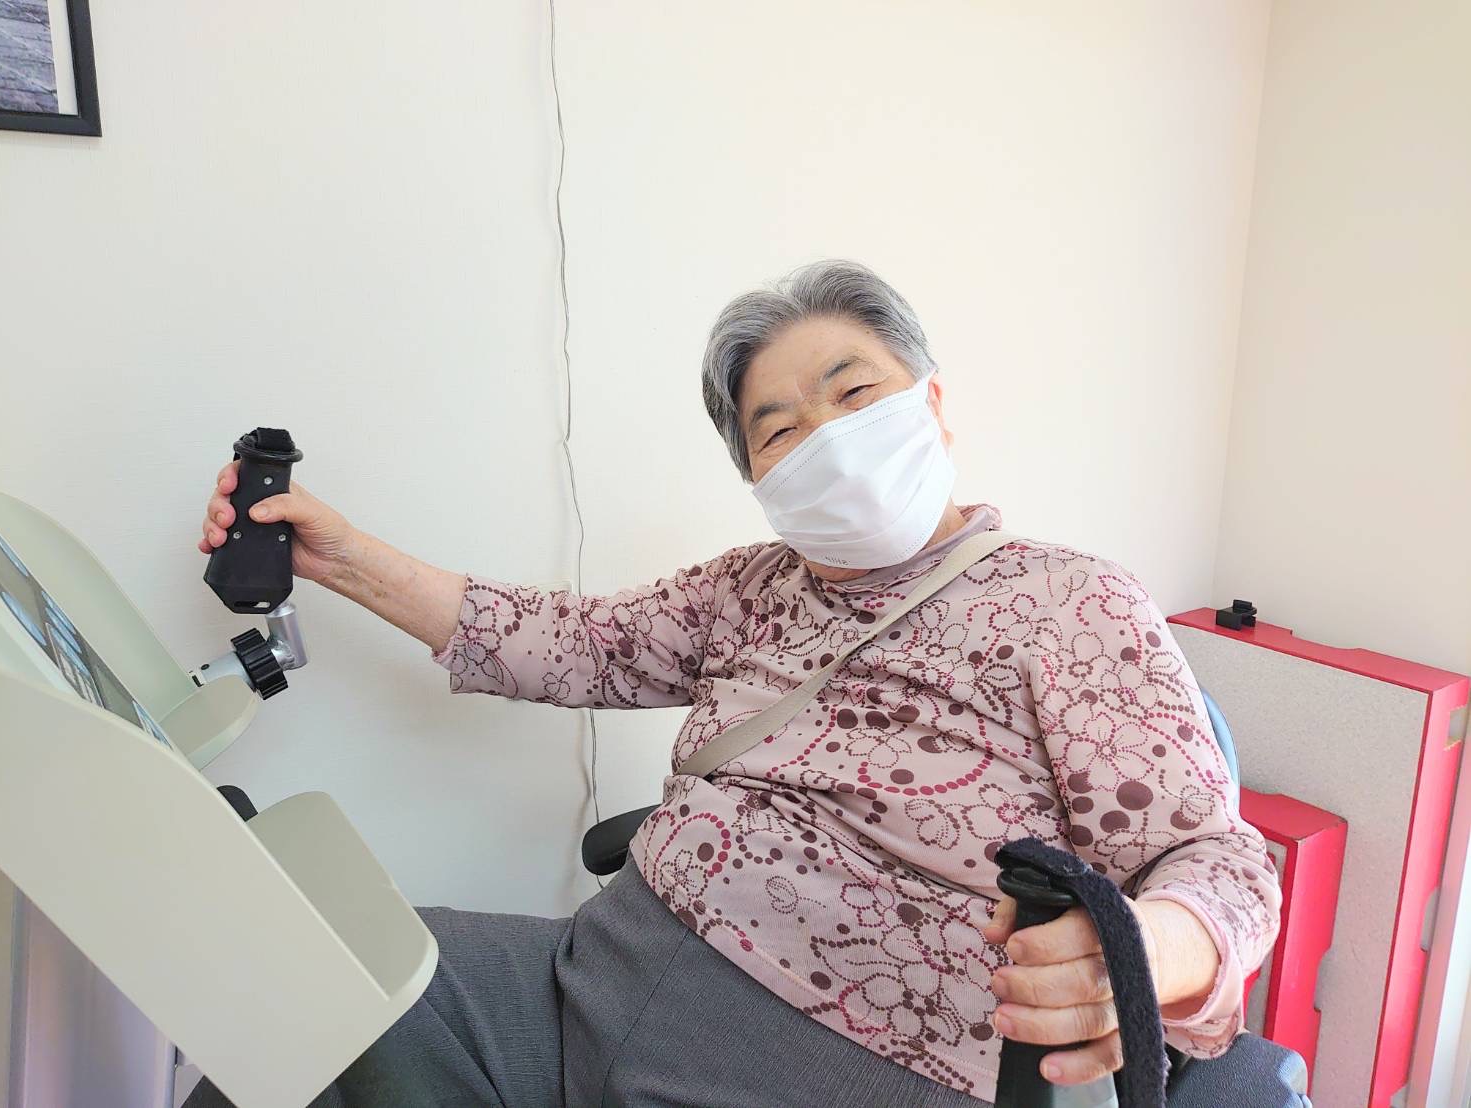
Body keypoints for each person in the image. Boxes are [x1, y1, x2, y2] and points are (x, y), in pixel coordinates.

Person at [184, 260, 1281, 1107]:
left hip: (845, 1057)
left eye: (855, 392)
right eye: (780, 428)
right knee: (312, 992)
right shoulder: (750, 587)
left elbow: (1217, 858)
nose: (827, 439)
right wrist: (341, 557)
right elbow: (568, 641)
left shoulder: (1067, 600)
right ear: (757, 475)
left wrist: (1150, 948)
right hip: (593, 976)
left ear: (932, 404)